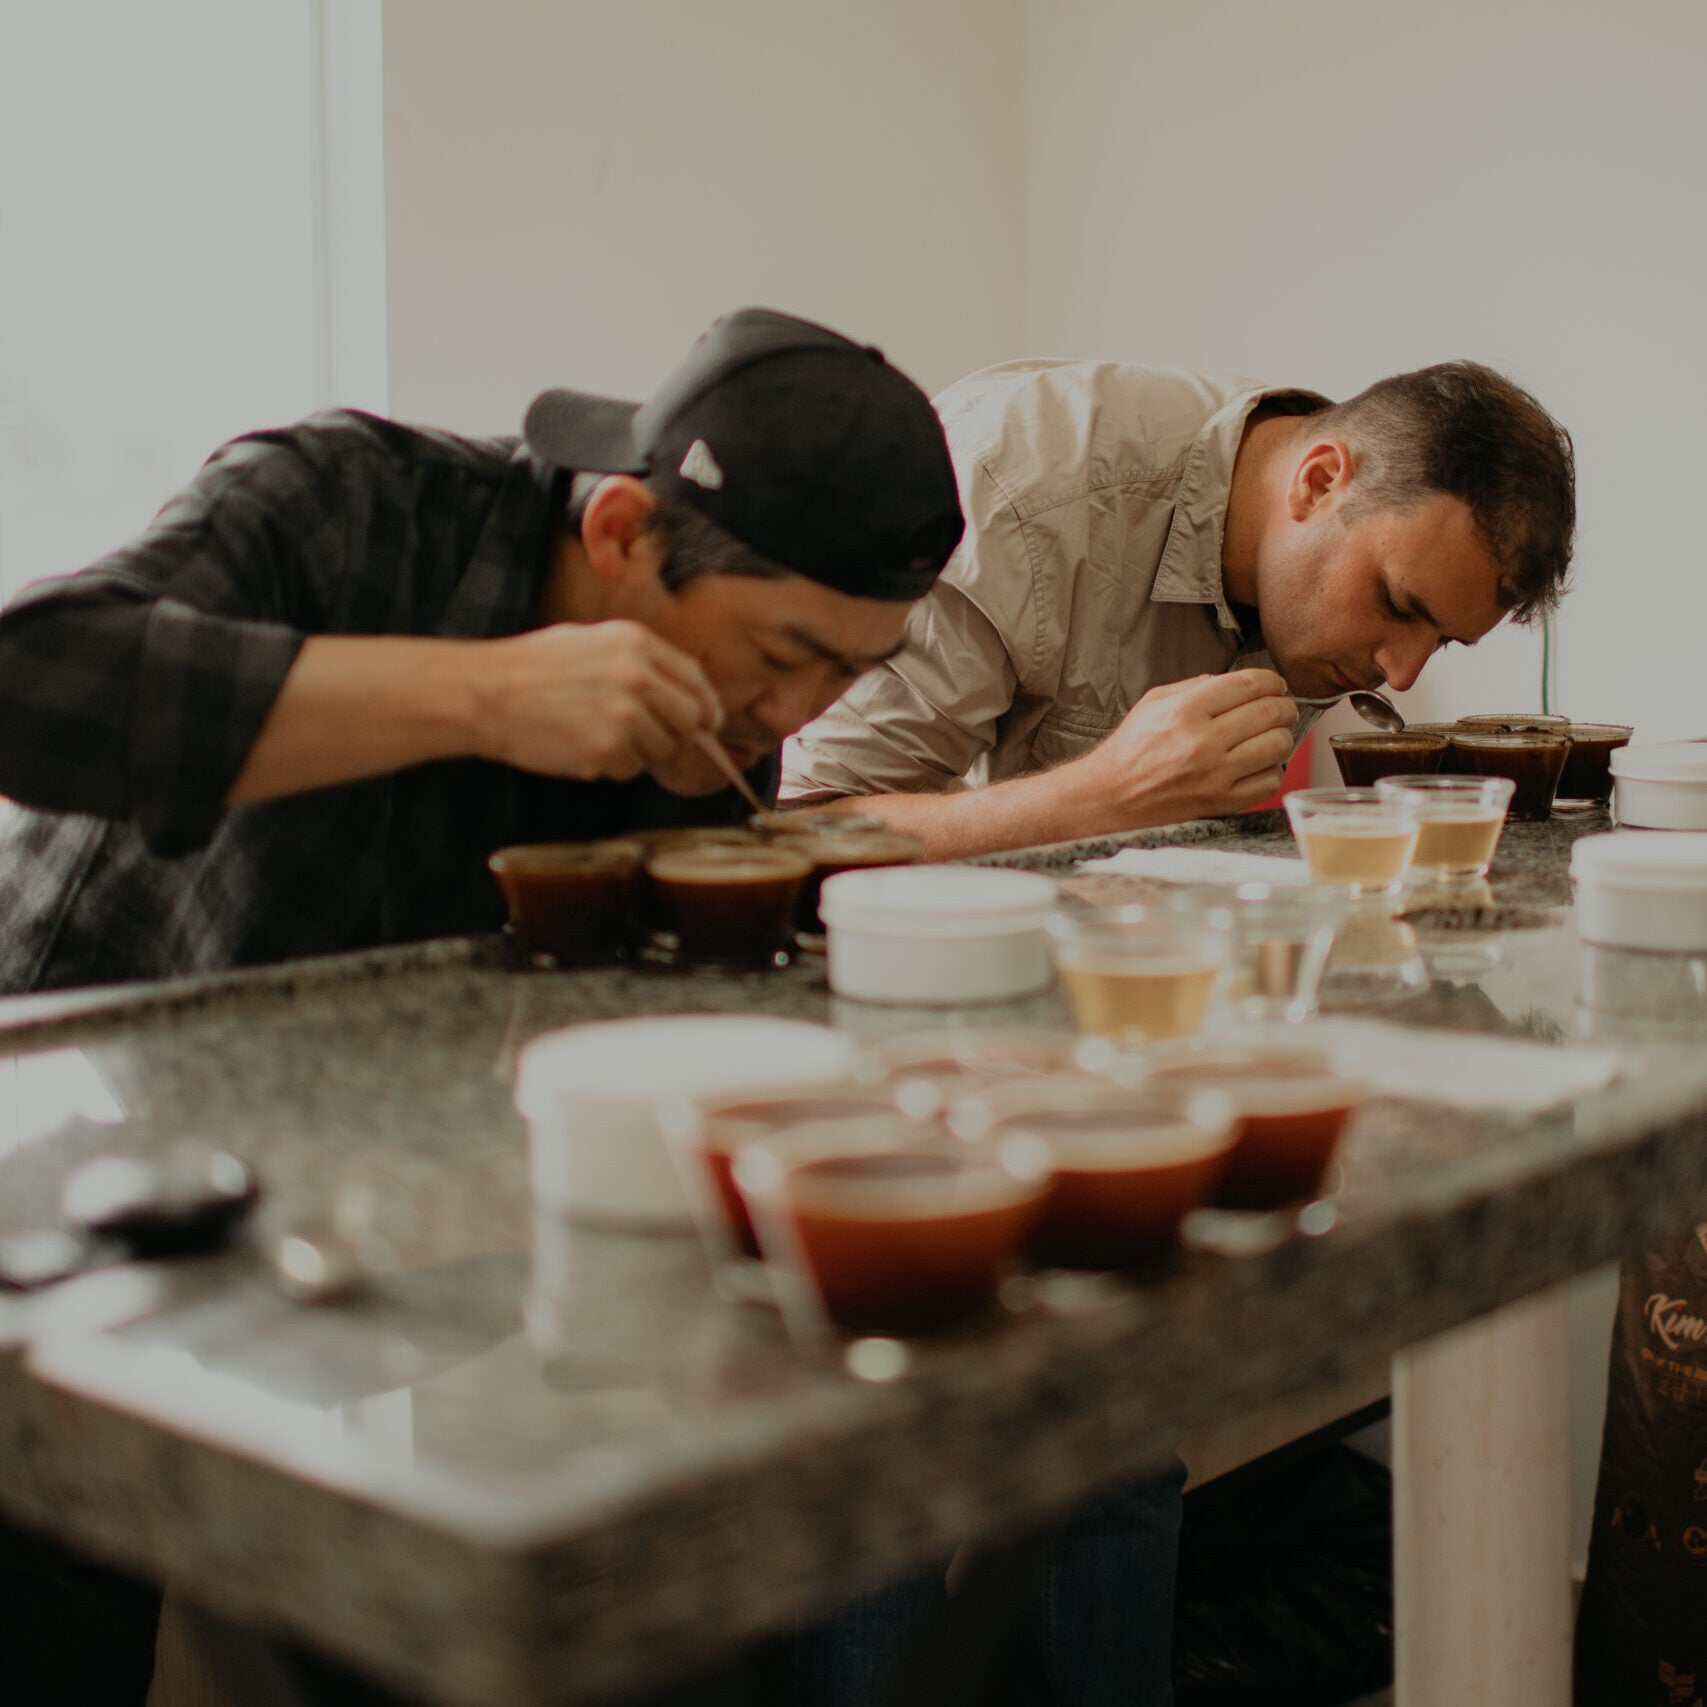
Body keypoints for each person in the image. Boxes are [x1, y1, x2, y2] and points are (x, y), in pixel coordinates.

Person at [0, 306, 962, 994]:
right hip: (80, 1061)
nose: (794, 715)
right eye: (778, 651)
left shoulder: (747, 694)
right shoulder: (341, 502)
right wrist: (487, 694)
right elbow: (26, 687)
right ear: (623, 533)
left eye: (845, 670)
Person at [782, 358, 1577, 856]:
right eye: (1397, 604)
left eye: (1441, 642)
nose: (1398, 675)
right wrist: (1101, 795)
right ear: (1317, 482)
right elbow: (798, 831)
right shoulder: (1010, 497)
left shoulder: (1324, 527)